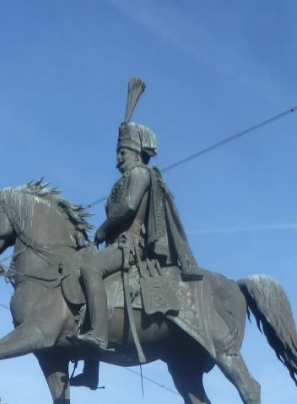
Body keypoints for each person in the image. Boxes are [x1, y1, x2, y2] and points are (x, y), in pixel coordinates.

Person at [73, 76, 201, 370]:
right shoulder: (124, 178)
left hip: (129, 246)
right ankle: (91, 370)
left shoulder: (140, 174)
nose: (118, 158)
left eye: (122, 152)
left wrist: (104, 228)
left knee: (90, 269)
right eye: (117, 153)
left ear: (136, 152)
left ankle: (99, 334)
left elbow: (129, 206)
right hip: (116, 244)